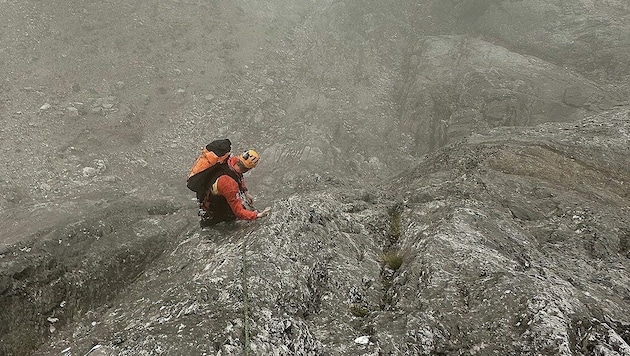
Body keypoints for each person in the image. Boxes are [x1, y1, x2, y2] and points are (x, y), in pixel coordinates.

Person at [199, 149, 271, 227]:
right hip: (214, 212)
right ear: (248, 169)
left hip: (207, 198)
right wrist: (257, 215)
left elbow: (239, 175)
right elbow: (238, 212)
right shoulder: (230, 185)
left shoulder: (231, 160)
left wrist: (245, 191)